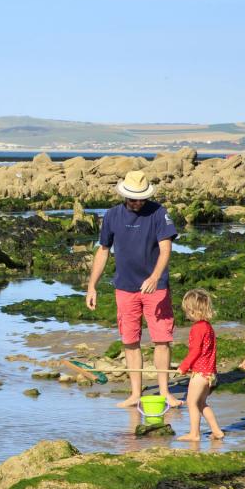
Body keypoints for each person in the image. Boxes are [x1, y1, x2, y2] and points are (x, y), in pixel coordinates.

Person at [86, 170, 180, 408]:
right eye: (133, 198)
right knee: (130, 339)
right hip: (125, 288)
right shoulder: (112, 215)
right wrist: (92, 286)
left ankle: (165, 392)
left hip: (156, 288)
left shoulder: (159, 213)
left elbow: (166, 248)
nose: (137, 202)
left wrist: (155, 277)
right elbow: (103, 250)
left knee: (161, 339)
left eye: (141, 198)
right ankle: (135, 393)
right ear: (124, 195)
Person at [176, 289, 224, 441]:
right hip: (209, 373)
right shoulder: (208, 327)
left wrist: (184, 366)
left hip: (200, 373)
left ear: (194, 310)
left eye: (188, 311)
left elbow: (196, 350)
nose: (187, 315)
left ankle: (194, 434)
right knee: (201, 403)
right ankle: (217, 431)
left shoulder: (197, 328)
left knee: (191, 402)